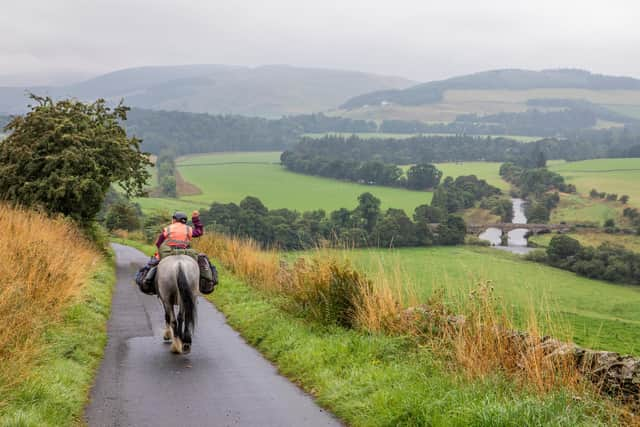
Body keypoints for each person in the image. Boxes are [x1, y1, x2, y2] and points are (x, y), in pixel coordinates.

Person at [139, 210, 203, 293]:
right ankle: (203, 282)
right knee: (199, 263)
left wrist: (161, 250)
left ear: (175, 219)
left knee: (153, 264)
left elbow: (159, 243)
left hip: (168, 252)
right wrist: (195, 219)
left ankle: (147, 281)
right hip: (185, 252)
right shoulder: (188, 229)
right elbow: (199, 232)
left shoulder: (168, 228)